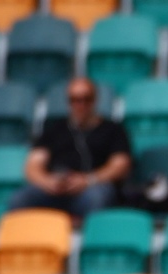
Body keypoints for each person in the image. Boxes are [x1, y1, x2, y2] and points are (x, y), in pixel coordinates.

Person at [9, 77, 131, 219]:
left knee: (98, 197)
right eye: (75, 100)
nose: (80, 105)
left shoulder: (113, 129)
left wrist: (88, 180)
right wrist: (47, 181)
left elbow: (120, 165)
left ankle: (88, 239)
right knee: (21, 198)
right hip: (55, 189)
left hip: (91, 187)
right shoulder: (54, 129)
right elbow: (33, 165)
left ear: (95, 100)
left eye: (86, 99)